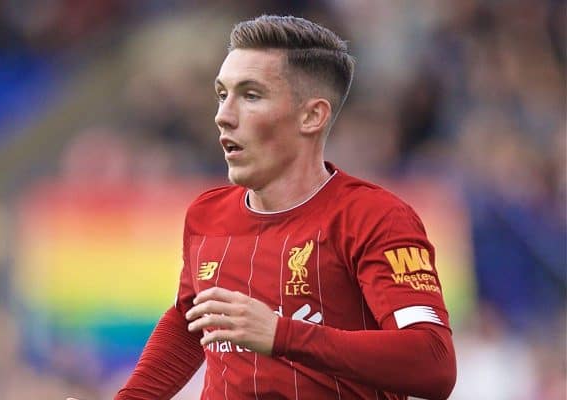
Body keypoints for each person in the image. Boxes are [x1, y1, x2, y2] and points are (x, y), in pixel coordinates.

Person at [114, 15, 456, 400]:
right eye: (222, 94)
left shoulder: (374, 218)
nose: (223, 115)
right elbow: (189, 320)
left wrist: (281, 334)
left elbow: (432, 362)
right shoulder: (206, 214)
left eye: (251, 95)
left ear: (312, 116)